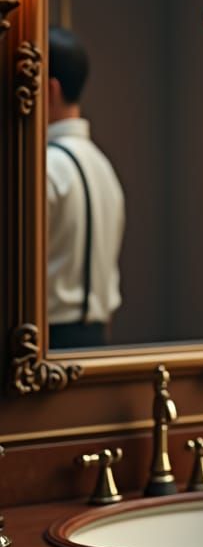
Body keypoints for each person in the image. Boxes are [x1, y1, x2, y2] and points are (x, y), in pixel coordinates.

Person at [47, 27, 125, 349]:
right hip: (96, 342)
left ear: (49, 90)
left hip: (46, 345)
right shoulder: (104, 167)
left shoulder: (45, 168)